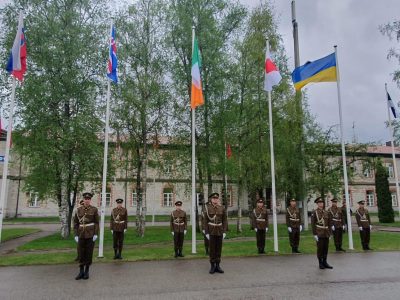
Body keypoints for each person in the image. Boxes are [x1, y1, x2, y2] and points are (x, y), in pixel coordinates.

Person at [73, 192, 99, 280]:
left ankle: (87, 271)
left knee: (89, 252)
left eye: (88, 199)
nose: (87, 200)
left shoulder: (94, 209)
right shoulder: (78, 210)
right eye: (85, 199)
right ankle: (81, 271)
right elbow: (76, 223)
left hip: (90, 234)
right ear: (83, 200)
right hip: (81, 234)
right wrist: (76, 235)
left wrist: (95, 233)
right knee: (80, 252)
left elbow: (96, 223)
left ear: (90, 200)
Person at [202, 192, 227, 274]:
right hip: (211, 231)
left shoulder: (222, 208)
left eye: (216, 198)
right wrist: (206, 232)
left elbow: (224, 220)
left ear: (218, 199)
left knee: (218, 249)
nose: (215, 200)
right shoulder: (207, 208)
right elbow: (205, 221)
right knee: (212, 249)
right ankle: (212, 266)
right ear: (211, 199)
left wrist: (224, 231)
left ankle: (218, 265)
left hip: (219, 230)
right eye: (214, 198)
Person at [311, 197, 333, 269]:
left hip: (326, 233)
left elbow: (329, 223)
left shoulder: (327, 212)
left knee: (325, 248)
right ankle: (320, 263)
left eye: (322, 202)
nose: (321, 204)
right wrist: (314, 234)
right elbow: (313, 224)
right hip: (319, 233)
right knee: (320, 248)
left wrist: (330, 233)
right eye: (319, 203)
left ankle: (325, 262)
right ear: (317, 204)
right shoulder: (314, 212)